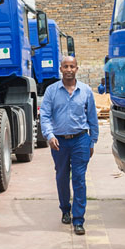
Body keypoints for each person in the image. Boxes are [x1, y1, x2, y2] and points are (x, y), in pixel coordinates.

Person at [39, 56, 99, 235]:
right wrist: (49, 135)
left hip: (80, 140)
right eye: (65, 66)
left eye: (72, 66)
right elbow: (45, 116)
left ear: (77, 69)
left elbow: (92, 118)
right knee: (62, 176)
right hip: (59, 142)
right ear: (60, 69)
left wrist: (92, 140)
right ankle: (65, 209)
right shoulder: (51, 91)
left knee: (79, 178)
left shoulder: (86, 91)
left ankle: (78, 220)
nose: (69, 69)